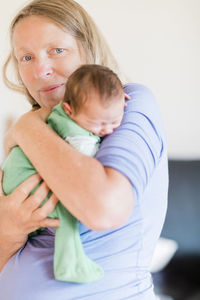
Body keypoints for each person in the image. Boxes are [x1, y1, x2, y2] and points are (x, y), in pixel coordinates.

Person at [0, 0, 168, 299]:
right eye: (26, 57)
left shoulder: (129, 104)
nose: (41, 70)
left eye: (57, 50)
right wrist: (8, 229)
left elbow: (104, 210)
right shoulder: (38, 139)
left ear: (88, 49)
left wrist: (25, 128)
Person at [2, 64, 125, 283]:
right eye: (97, 123)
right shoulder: (80, 139)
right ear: (69, 110)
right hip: (22, 183)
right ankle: (69, 263)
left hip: (13, 180)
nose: (107, 130)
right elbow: (83, 177)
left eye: (114, 122)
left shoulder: (61, 112)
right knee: (68, 215)